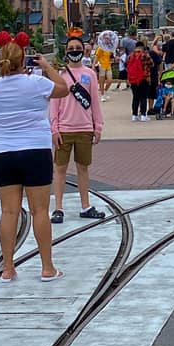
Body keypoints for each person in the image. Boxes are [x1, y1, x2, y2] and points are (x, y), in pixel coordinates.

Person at [0, 31, 68, 282]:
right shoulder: (36, 83)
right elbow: (63, 90)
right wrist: (47, 66)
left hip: (1, 152)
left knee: (9, 212)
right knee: (40, 210)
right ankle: (47, 267)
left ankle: (8, 268)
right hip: (34, 149)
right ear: (24, 59)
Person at [50, 38, 107, 225]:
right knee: (60, 169)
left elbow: (95, 103)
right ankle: (58, 208)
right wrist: (54, 129)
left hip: (84, 128)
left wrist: (98, 126)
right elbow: (54, 104)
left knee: (83, 168)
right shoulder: (60, 75)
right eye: (71, 48)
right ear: (65, 51)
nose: (75, 51)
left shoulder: (89, 74)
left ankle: (85, 206)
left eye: (78, 48)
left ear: (84, 50)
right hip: (64, 129)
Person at [126, 41, 150, 122]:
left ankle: (134, 115)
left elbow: (127, 66)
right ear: (143, 47)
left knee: (135, 97)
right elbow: (152, 64)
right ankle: (143, 115)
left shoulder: (130, 56)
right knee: (143, 97)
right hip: (144, 78)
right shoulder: (145, 55)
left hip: (133, 79)